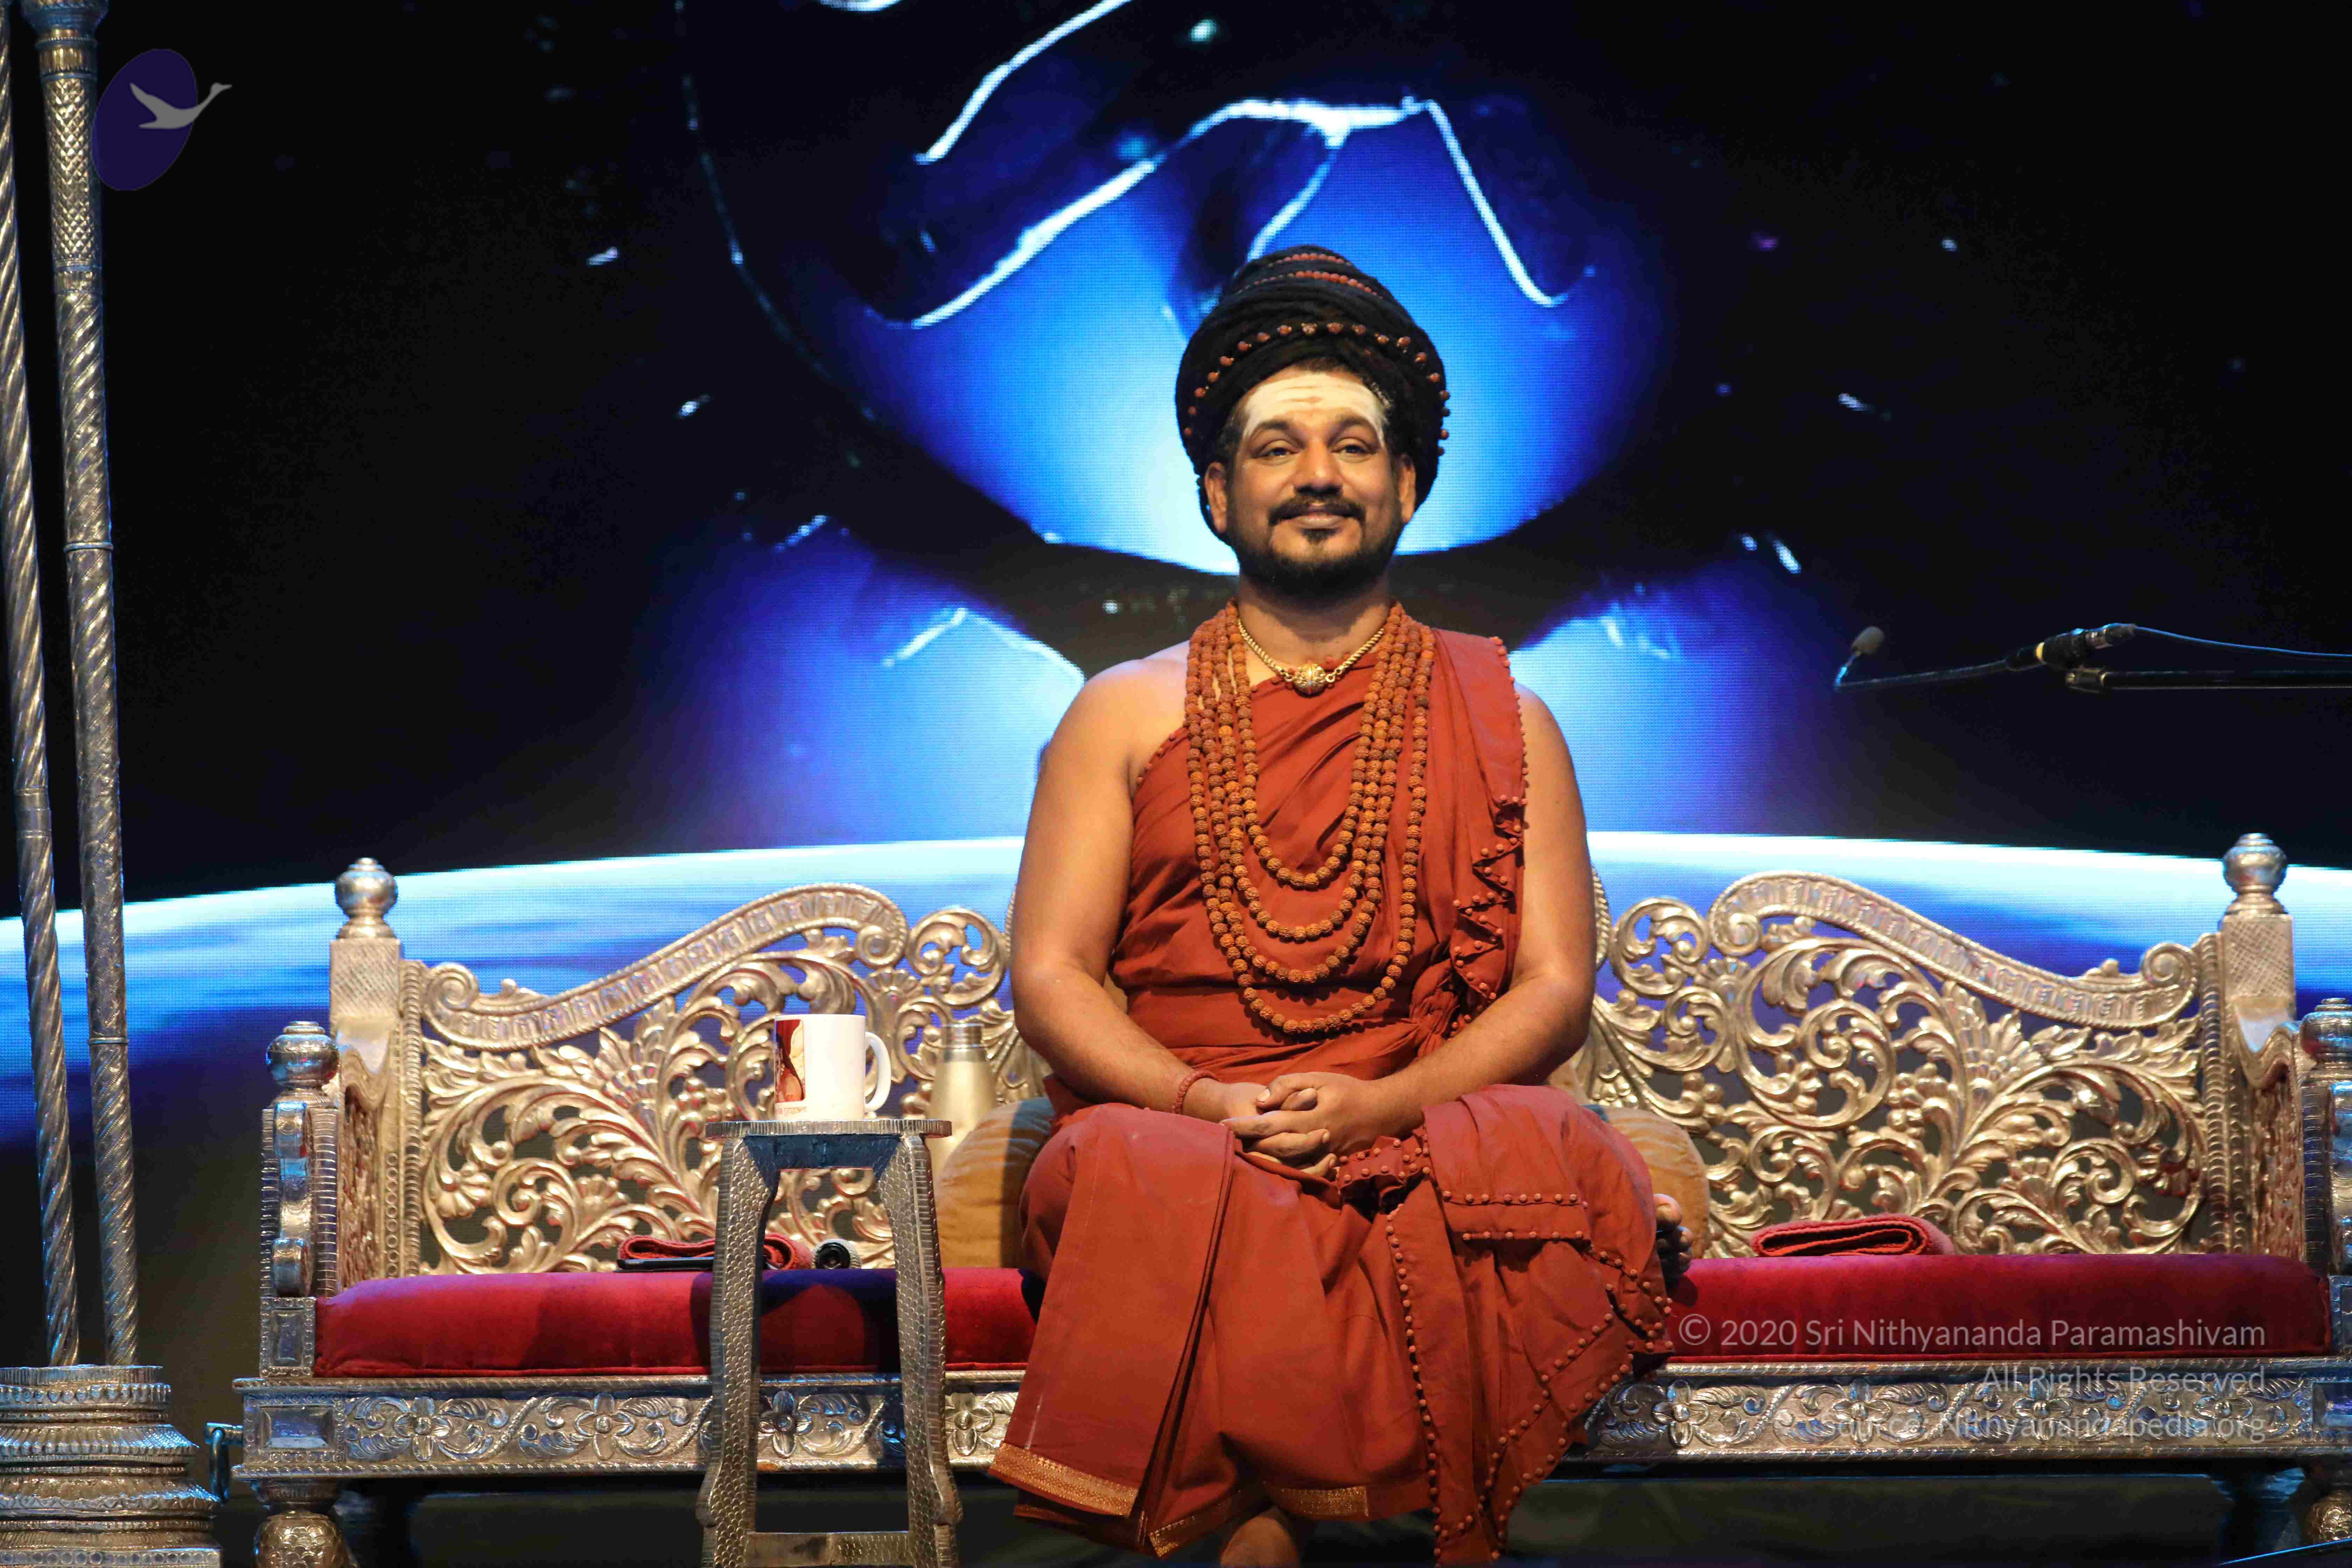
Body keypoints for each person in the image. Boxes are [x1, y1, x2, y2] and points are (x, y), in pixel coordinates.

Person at [992, 246, 1689, 1566]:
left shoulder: (1512, 717)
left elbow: (1552, 986)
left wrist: (1382, 1106)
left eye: (1354, 445)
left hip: (1410, 1110)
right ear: (1218, 495)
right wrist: (1204, 1101)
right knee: (1132, 1166)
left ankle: (1276, 1526)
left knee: (1553, 1145)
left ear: (1406, 485)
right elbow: (1055, 979)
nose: (1317, 473)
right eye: (1277, 448)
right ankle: (1269, 1533)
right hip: (1183, 1119)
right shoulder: (1119, 713)